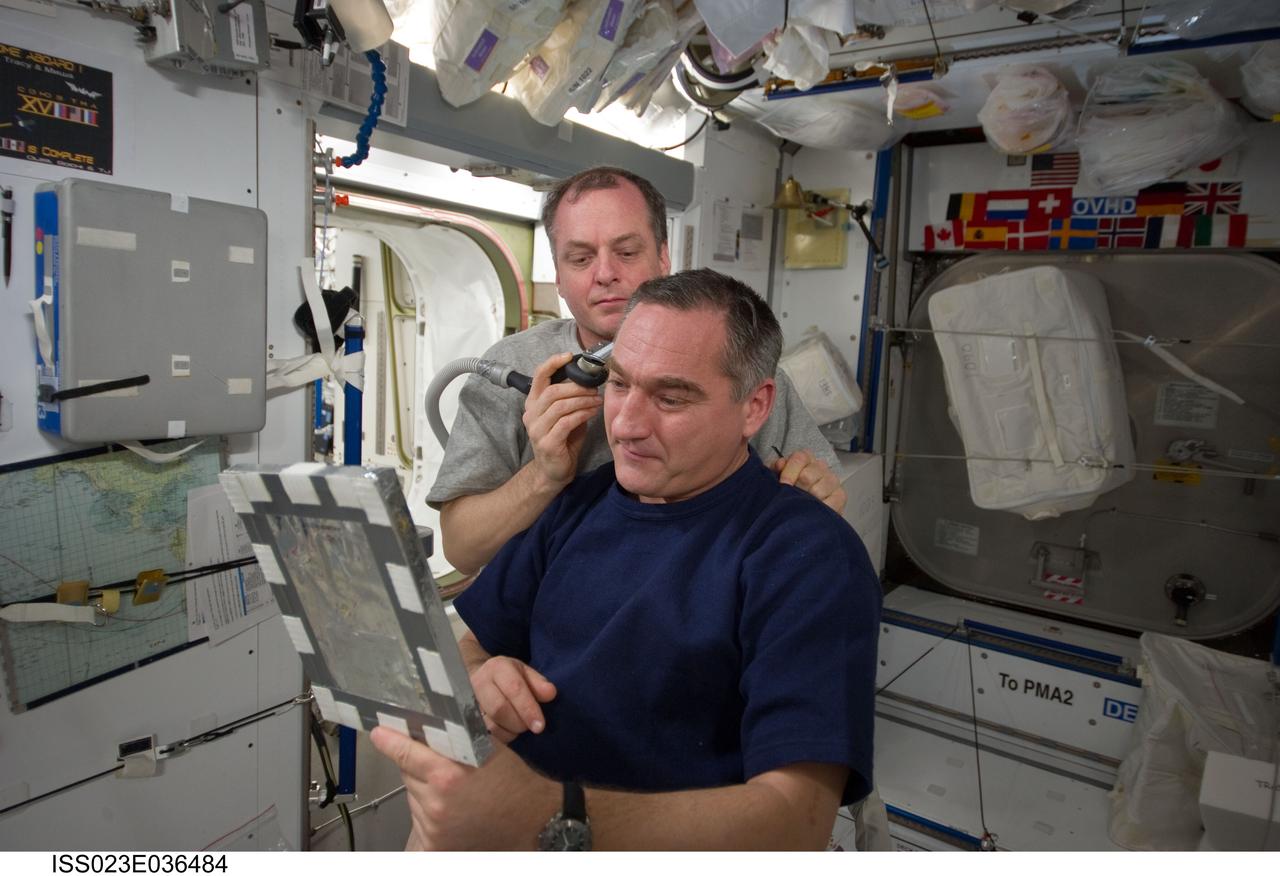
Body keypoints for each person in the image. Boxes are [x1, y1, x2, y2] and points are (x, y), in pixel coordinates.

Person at [372, 269, 881, 850]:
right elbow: (472, 644)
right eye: (618, 385)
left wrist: (551, 816)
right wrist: (481, 677)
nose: (627, 425)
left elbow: (797, 822)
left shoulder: (804, 555)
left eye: (670, 397)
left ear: (755, 406)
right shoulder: (578, 505)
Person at [427, 166, 846, 576]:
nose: (606, 273)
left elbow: (822, 500)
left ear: (663, 257)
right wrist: (545, 475)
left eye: (627, 252)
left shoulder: (736, 366)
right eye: (580, 258)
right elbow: (463, 550)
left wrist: (818, 494)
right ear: (557, 273)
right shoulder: (513, 368)